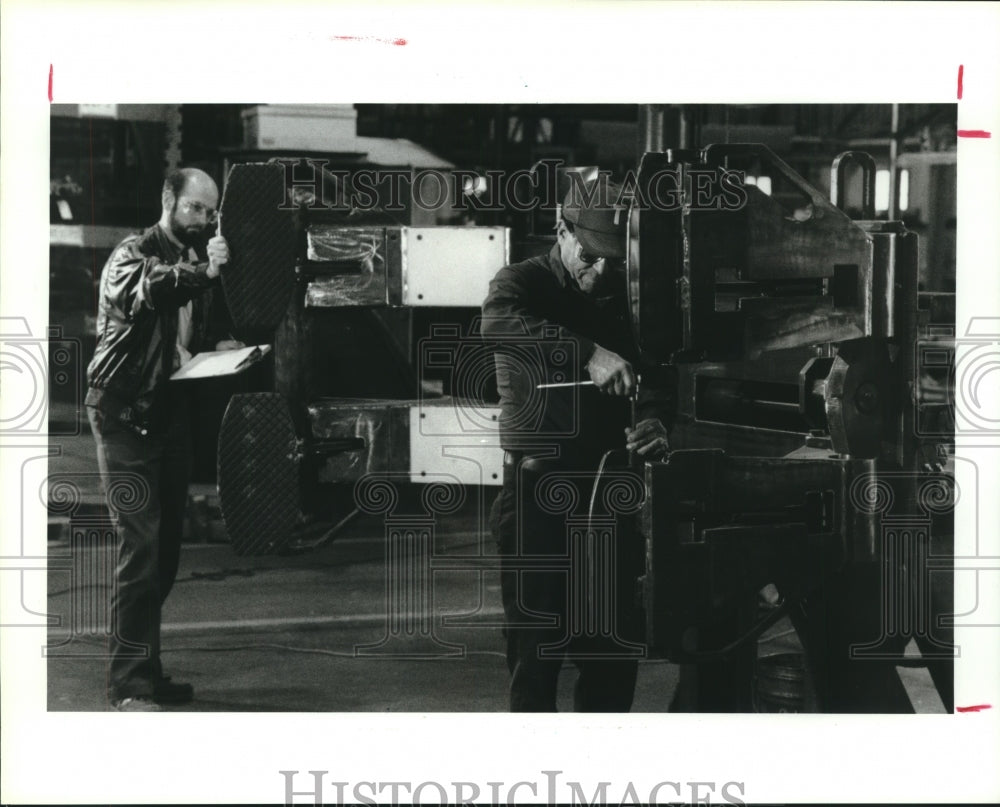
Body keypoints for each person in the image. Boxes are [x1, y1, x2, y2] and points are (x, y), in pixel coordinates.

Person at [482, 177, 675, 711]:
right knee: (535, 652)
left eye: (615, 261)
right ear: (560, 230)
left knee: (612, 649)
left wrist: (657, 423)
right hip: (538, 495)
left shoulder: (626, 294)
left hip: (612, 495)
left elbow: (659, 379)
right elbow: (498, 324)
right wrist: (587, 352)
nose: (602, 273)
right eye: (591, 258)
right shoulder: (519, 283)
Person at [86, 167, 240, 711]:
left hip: (169, 417)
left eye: (210, 211)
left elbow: (183, 341)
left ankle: (146, 670)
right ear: (168, 200)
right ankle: (128, 685)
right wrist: (206, 271)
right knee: (141, 548)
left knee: (166, 554)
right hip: (124, 414)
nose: (203, 219)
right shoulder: (132, 255)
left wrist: (223, 349)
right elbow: (153, 287)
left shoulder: (199, 266)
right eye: (195, 208)